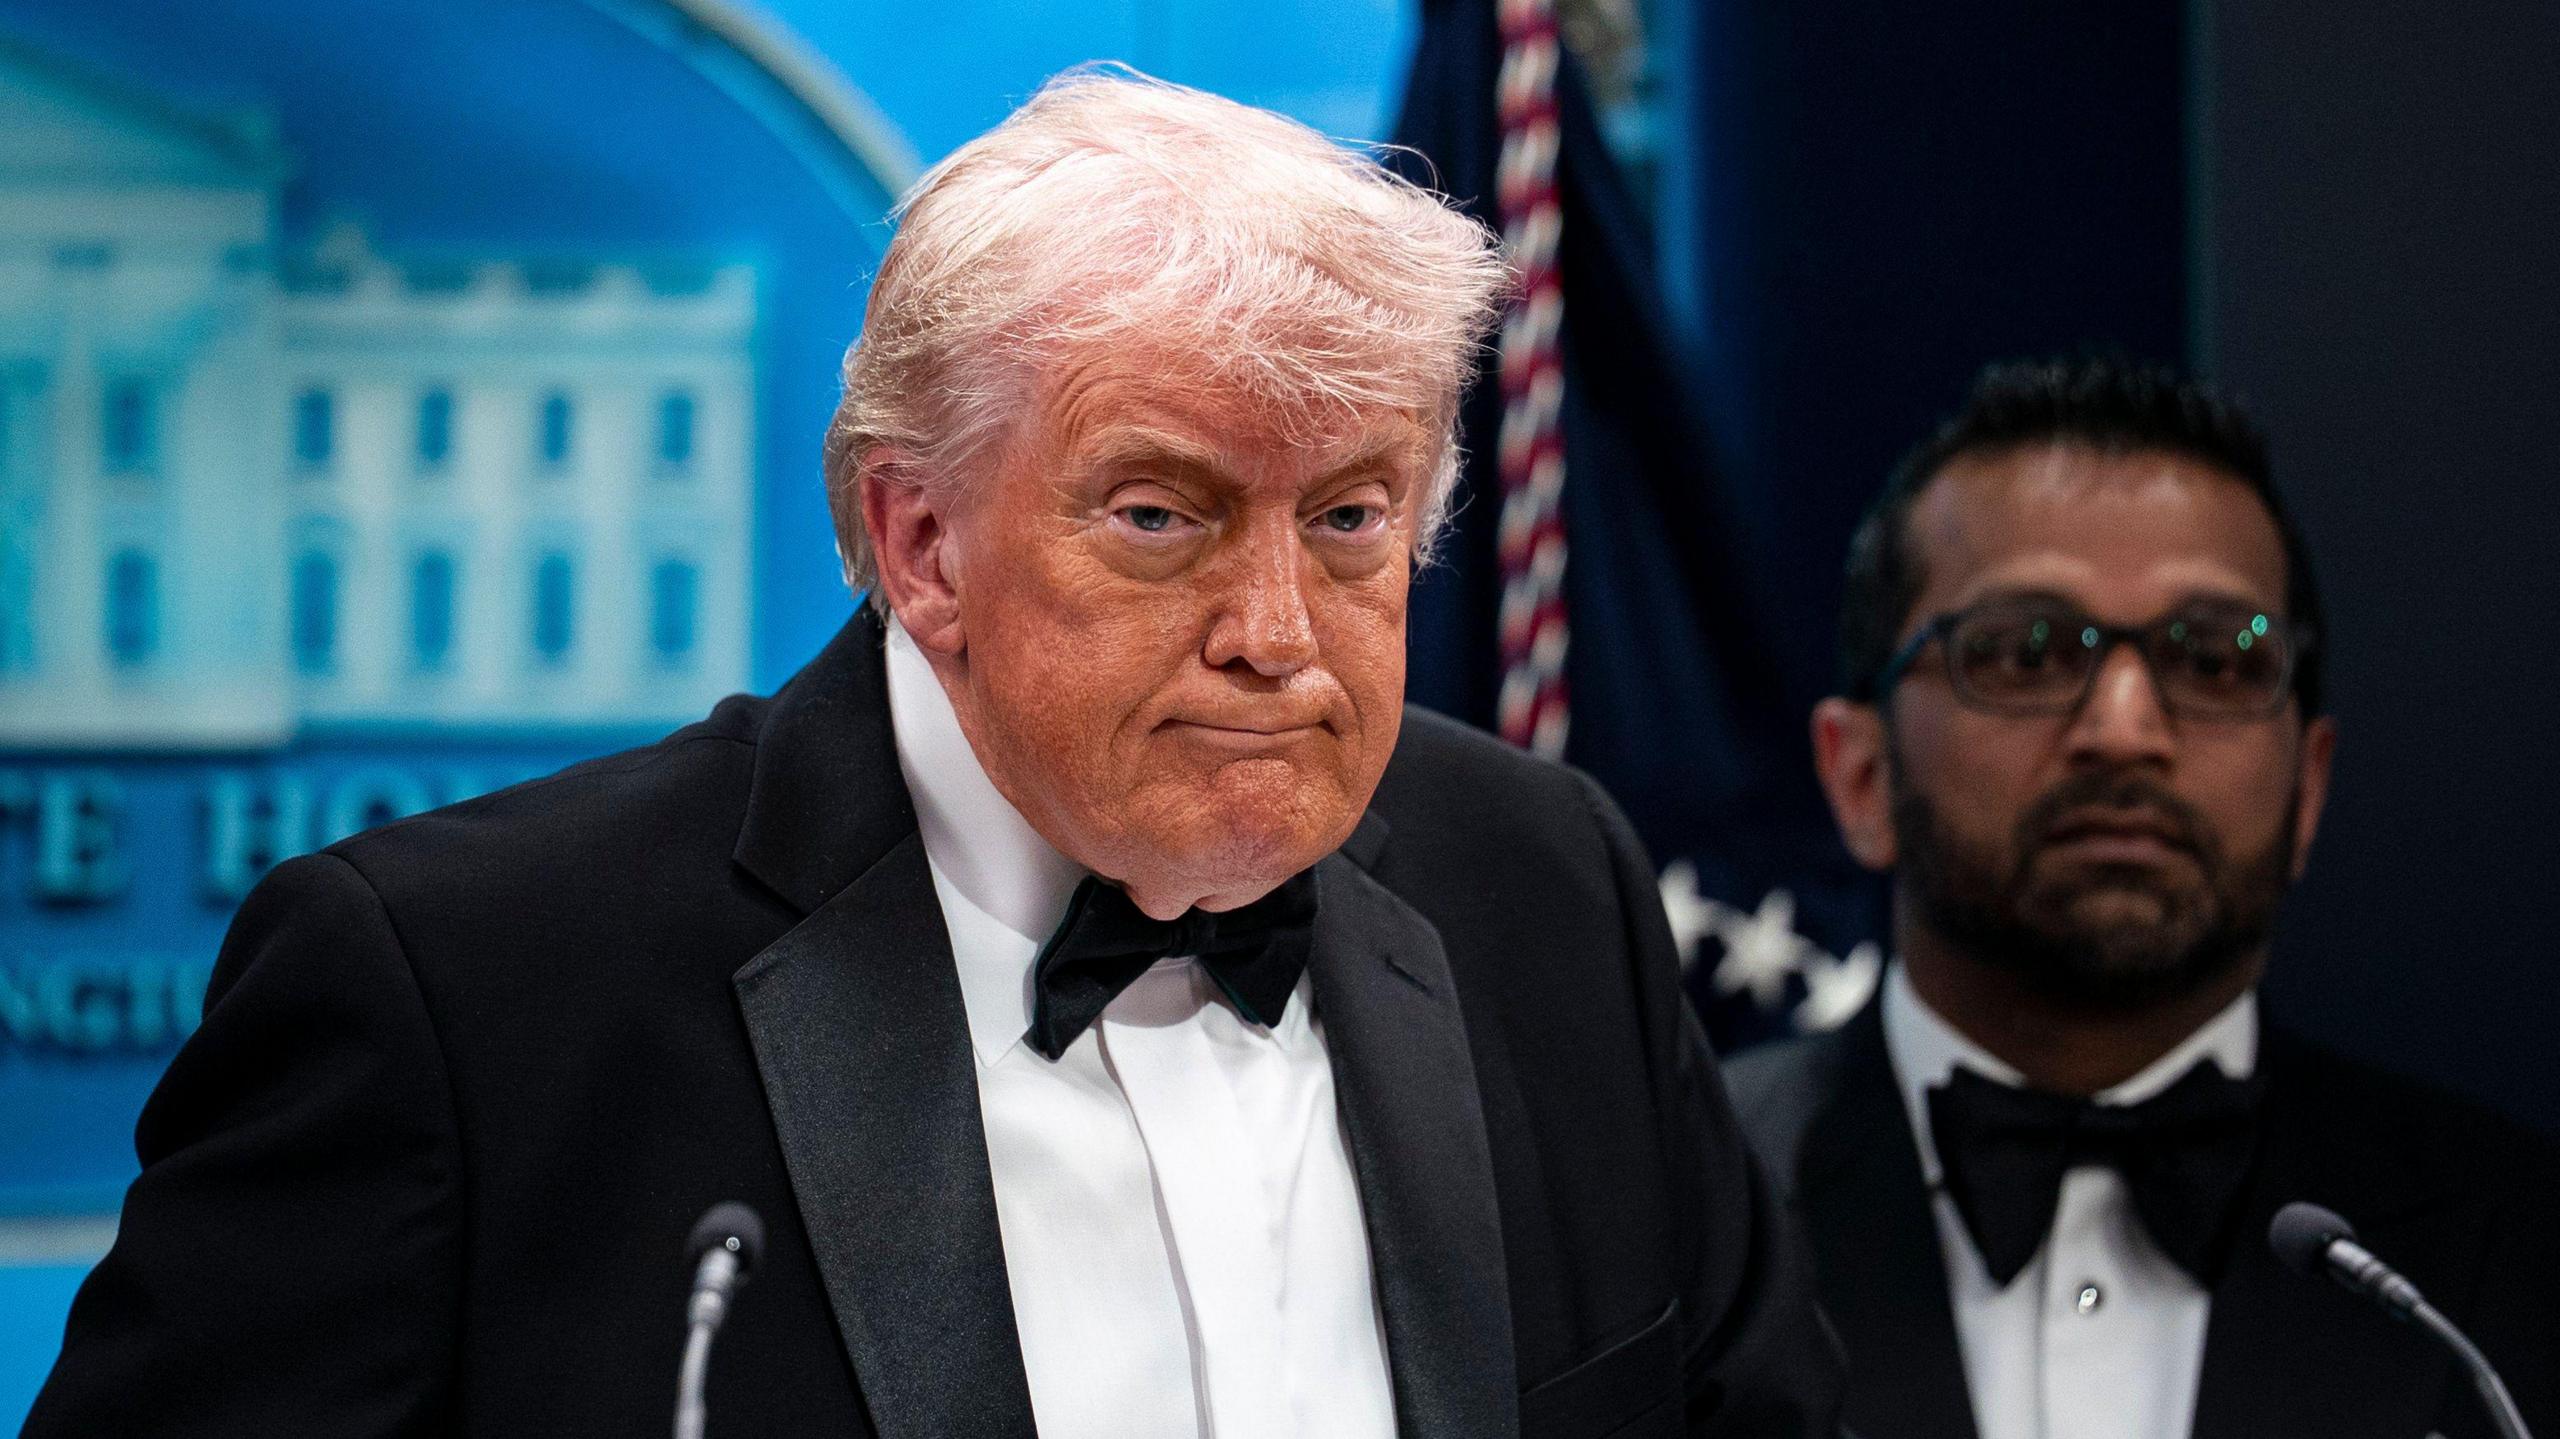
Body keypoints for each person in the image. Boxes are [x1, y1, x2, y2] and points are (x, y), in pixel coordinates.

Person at [28, 71, 1839, 1438]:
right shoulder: (465, 990)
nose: (1278, 629)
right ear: (919, 541)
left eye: (1354, 516)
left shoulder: (1544, 879)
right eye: (1159, 513)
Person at [1727, 356, 2558, 1439]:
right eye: (2025, 650)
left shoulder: (2521, 1247)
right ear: (1859, 775)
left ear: (2308, 785)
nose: (2123, 729)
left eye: (2214, 658)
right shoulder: (1673, 1209)